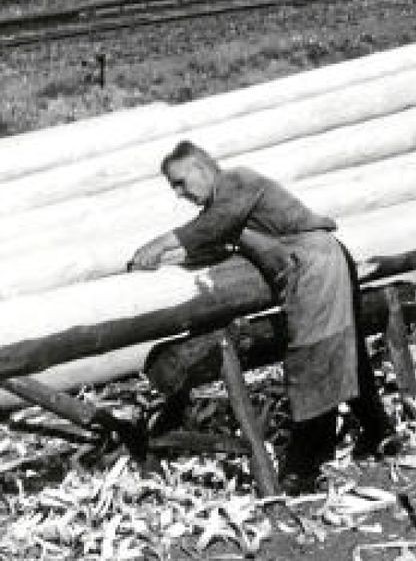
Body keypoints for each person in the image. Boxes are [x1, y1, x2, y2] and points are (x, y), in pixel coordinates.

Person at [128, 141, 400, 494]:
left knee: (311, 357)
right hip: (321, 263)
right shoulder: (225, 203)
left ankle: (305, 466)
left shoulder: (238, 182)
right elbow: (210, 240)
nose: (180, 194)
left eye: (180, 182)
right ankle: (380, 432)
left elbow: (210, 228)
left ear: (200, 167)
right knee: (346, 349)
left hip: (316, 267)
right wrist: (164, 260)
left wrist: (156, 245)